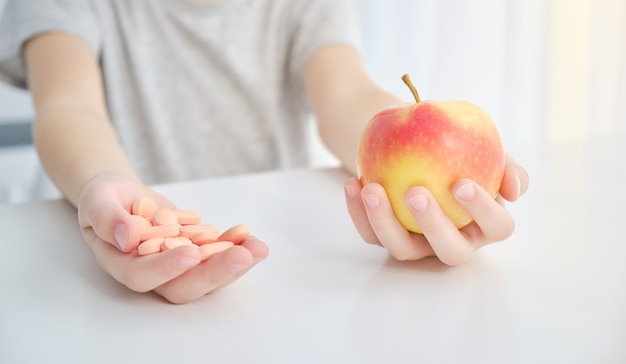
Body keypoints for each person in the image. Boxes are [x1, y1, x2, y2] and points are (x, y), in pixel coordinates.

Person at [0, 0, 529, 304]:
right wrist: (106, 184)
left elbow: (345, 94)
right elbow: (68, 104)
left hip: (285, 275)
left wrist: (426, 174)